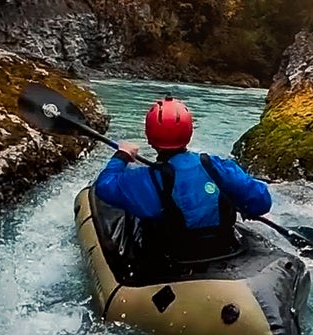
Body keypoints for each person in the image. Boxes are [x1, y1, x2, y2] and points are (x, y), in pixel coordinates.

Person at [91, 97, 273, 264]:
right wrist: (243, 206)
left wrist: (121, 155)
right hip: (223, 249)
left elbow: (104, 186)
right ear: (189, 133)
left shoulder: (144, 179)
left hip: (173, 257)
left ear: (149, 137)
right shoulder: (218, 166)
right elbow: (262, 202)